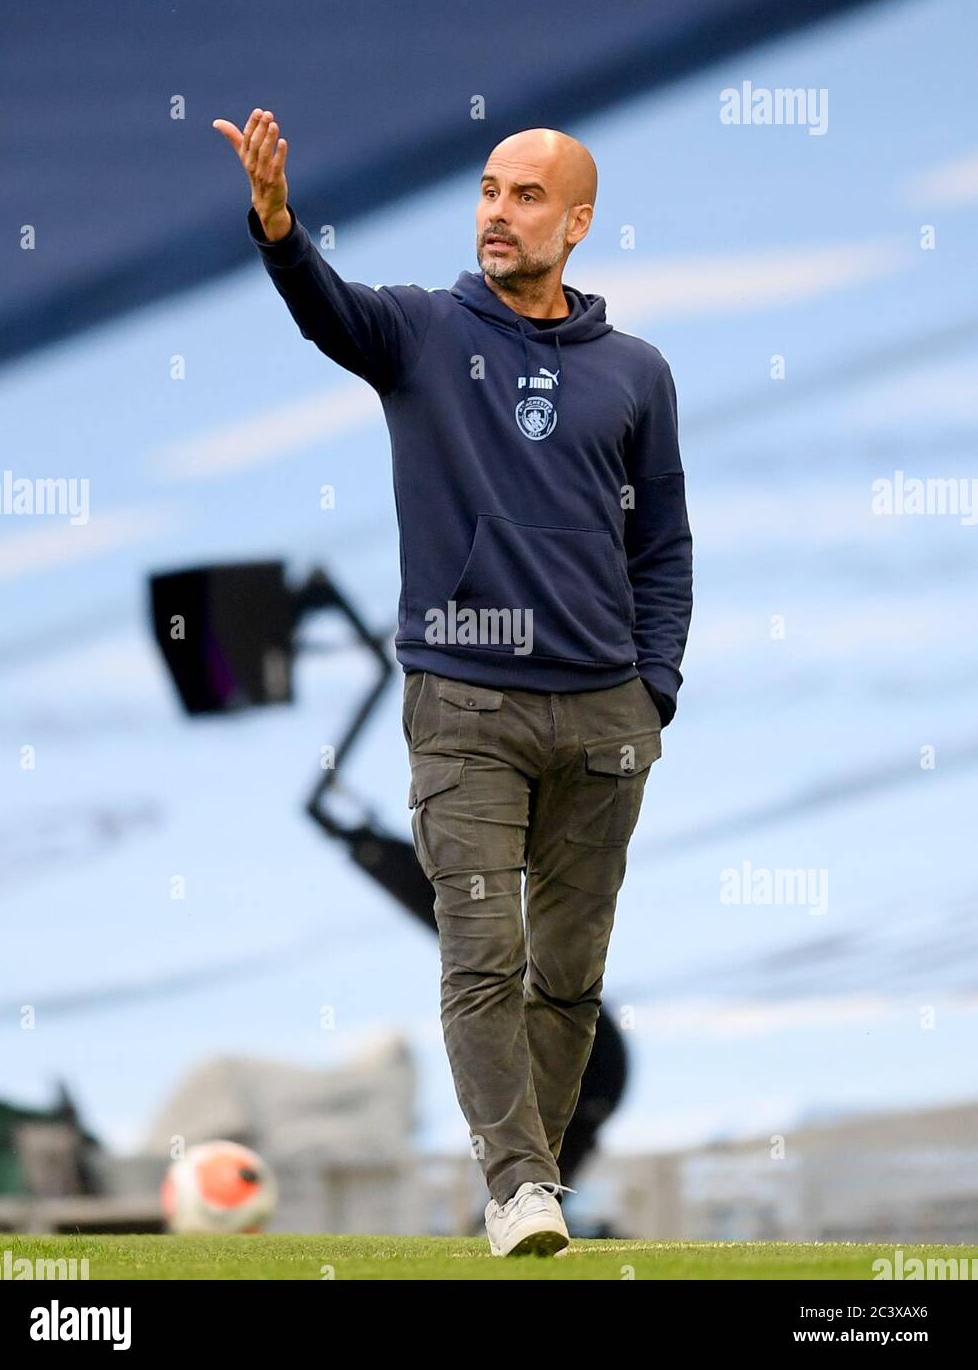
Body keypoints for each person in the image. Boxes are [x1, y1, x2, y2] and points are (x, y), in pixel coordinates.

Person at [214, 109, 693, 1256]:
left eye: (525, 195)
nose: (496, 209)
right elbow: (328, 312)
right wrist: (278, 228)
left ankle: (536, 1171)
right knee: (483, 952)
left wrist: (652, 688)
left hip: (602, 716)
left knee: (568, 975)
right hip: (464, 705)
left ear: (575, 224)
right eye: (486, 188)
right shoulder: (422, 333)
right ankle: (519, 1186)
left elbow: (661, 545)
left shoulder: (635, 372)